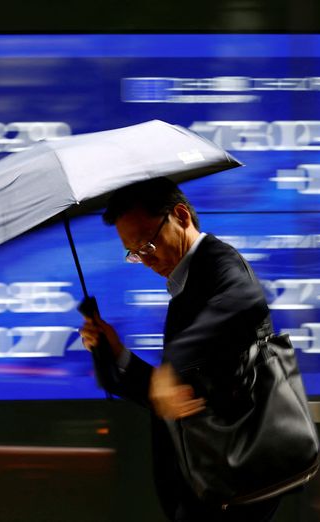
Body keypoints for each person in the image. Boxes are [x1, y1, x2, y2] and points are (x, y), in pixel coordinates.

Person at [80, 177, 281, 522]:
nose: (145, 260)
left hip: (234, 485)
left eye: (147, 244)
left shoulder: (219, 263)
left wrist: (172, 367)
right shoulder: (185, 287)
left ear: (181, 216)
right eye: (134, 253)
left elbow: (245, 298)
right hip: (207, 485)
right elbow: (176, 397)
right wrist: (117, 354)